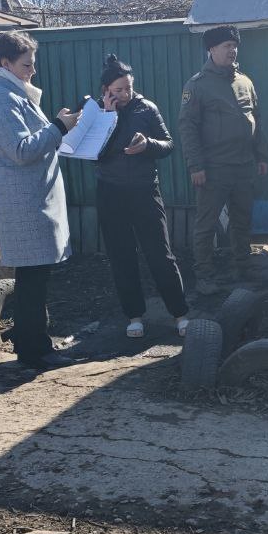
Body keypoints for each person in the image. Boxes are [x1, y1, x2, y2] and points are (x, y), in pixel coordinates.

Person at [0, 30, 80, 370]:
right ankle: (36, 351)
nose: (33, 71)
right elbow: (21, 150)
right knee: (32, 278)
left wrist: (57, 126)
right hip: (23, 202)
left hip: (30, 198)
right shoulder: (0, 98)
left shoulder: (12, 93)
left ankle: (31, 344)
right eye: (27, 65)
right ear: (5, 63)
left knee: (34, 277)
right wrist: (58, 127)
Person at [96, 53, 189, 339]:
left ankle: (180, 313)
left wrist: (148, 144)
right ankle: (134, 316)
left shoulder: (147, 108)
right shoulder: (96, 112)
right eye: (119, 89)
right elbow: (93, 152)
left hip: (145, 189)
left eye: (129, 87)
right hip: (110, 192)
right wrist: (107, 116)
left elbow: (169, 144)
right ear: (106, 90)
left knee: (160, 254)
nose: (125, 94)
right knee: (121, 256)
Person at [177, 25, 268, 295]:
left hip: (243, 166)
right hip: (213, 168)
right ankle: (204, 275)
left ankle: (243, 267)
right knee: (206, 224)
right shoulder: (197, 85)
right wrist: (196, 165)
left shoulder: (245, 82)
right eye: (227, 46)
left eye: (234, 46)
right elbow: (187, 127)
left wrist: (261, 155)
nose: (233, 50)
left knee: (242, 220)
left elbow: (257, 120)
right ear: (212, 49)